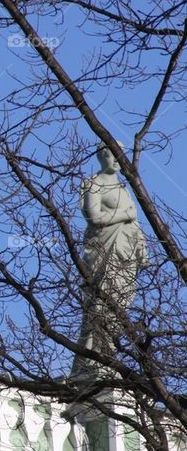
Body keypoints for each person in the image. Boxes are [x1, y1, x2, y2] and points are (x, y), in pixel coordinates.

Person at [73, 143, 147, 379]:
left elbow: (134, 223)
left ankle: (108, 353)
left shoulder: (122, 186)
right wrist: (125, 215)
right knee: (100, 304)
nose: (117, 160)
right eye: (112, 155)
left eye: (120, 156)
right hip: (103, 250)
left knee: (119, 305)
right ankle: (92, 359)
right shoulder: (94, 184)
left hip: (125, 252)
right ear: (102, 156)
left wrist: (141, 245)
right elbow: (94, 217)